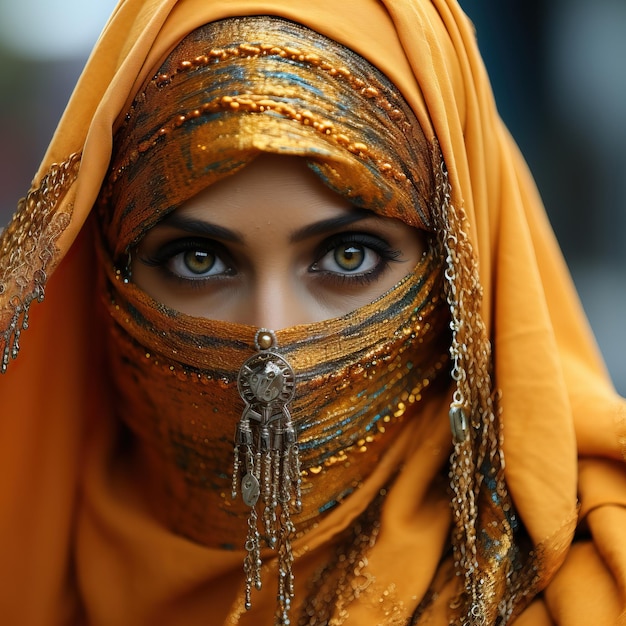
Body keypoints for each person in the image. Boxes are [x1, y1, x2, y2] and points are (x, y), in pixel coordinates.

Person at [0, 1, 624, 625]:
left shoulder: (593, 594)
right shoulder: (27, 562)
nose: (271, 357)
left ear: (457, 270)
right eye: (199, 260)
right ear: (108, 276)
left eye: (349, 257)